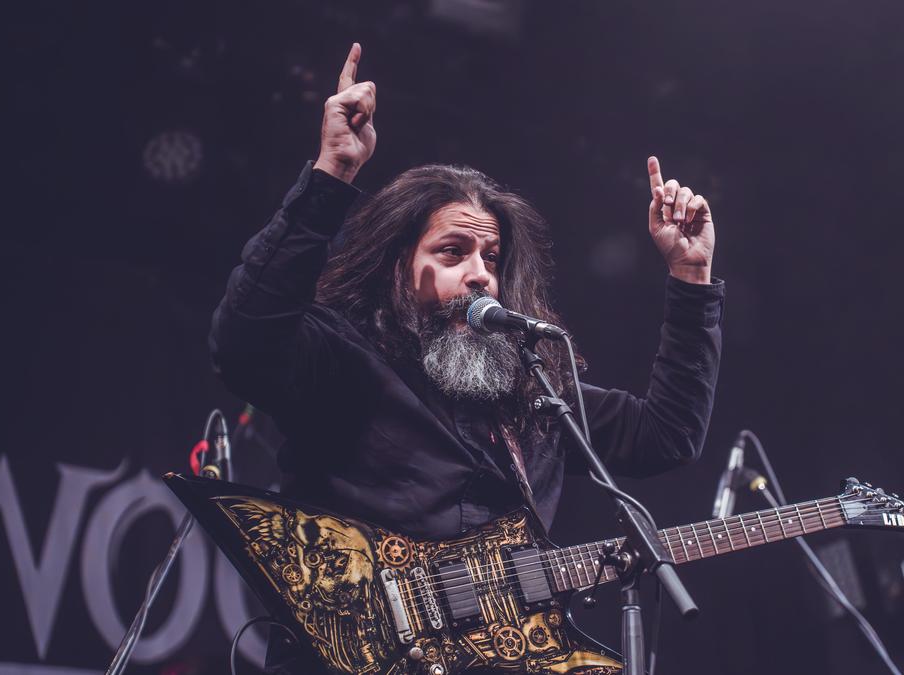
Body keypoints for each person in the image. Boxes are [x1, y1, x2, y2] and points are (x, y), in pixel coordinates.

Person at [208, 41, 724, 547]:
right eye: (453, 252)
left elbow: (666, 437)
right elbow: (244, 342)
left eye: (491, 258)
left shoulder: (535, 397)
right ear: (398, 268)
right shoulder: (340, 357)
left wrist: (690, 274)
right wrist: (333, 174)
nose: (481, 275)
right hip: (354, 605)